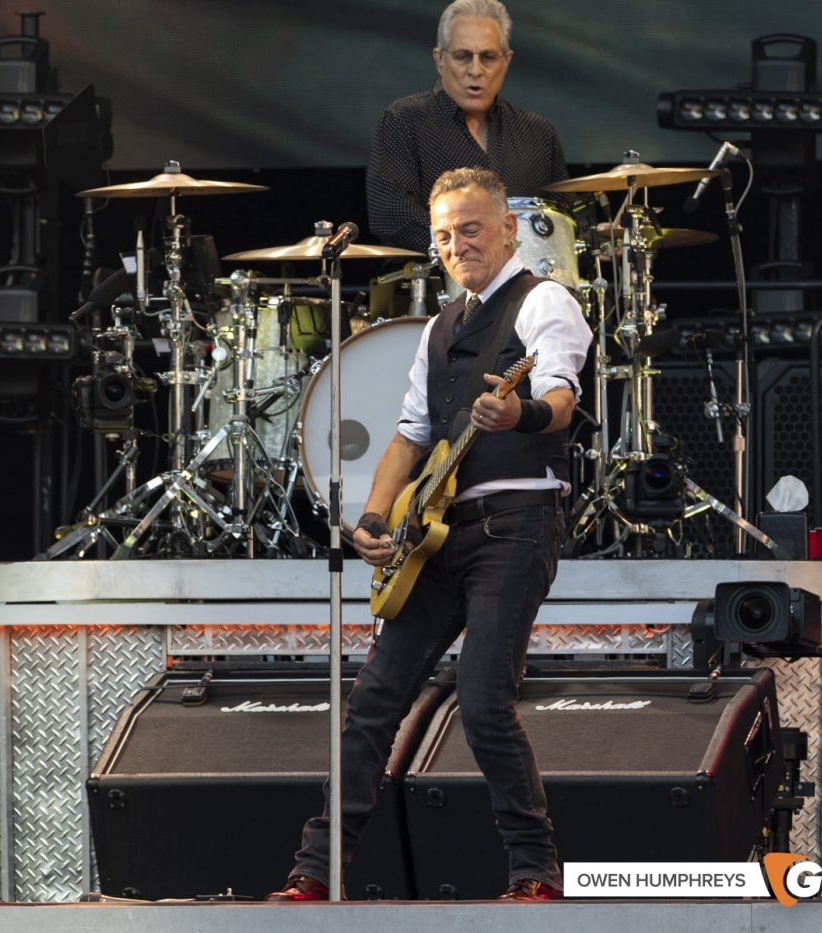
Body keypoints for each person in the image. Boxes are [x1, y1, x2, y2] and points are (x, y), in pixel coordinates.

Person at [267, 166, 591, 902]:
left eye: (470, 229)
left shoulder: (546, 303)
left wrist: (521, 416)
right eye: (444, 235)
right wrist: (375, 520)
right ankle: (315, 872)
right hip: (435, 535)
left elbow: (561, 397)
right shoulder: (443, 326)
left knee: (481, 700)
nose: (455, 245)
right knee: (372, 702)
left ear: (509, 227)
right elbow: (409, 436)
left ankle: (535, 871)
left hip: (516, 520)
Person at [366, 0, 568, 255]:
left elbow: (565, 216)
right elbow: (390, 212)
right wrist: (470, 249)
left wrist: (598, 236)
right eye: (463, 57)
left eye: (488, 57)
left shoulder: (539, 133)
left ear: (506, 61)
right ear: (439, 59)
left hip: (526, 290)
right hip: (431, 288)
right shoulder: (404, 120)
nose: (476, 70)